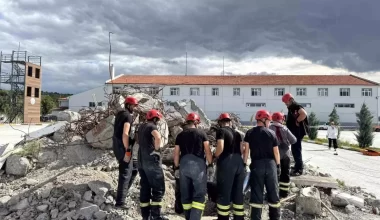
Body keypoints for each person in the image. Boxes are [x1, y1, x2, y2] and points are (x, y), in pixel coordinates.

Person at [173, 112, 213, 220]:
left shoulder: (180, 135)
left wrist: (176, 168)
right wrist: (210, 164)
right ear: (196, 122)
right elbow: (208, 151)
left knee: (186, 196)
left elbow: (176, 153)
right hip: (198, 167)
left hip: (184, 167)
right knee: (199, 195)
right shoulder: (202, 134)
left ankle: (188, 217)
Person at [244, 110, 281, 220]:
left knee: (256, 194)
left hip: (256, 165)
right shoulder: (271, 133)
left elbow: (246, 151)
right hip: (271, 165)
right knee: (273, 193)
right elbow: (276, 152)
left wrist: (244, 163)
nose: (269, 123)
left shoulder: (249, 133)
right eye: (269, 120)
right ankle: (275, 217)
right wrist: (278, 166)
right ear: (264, 120)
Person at [137, 109, 167, 220]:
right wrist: (156, 150)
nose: (158, 122)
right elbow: (158, 137)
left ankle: (146, 216)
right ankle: (156, 216)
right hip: (151, 161)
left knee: (145, 187)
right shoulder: (151, 127)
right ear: (154, 119)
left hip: (141, 161)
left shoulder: (141, 127)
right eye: (157, 120)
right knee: (158, 188)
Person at [214, 113, 246, 220]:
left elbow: (220, 147)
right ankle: (239, 217)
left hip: (227, 162)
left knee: (224, 192)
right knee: (238, 192)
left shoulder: (221, 131)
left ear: (220, 123)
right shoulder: (237, 134)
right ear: (230, 122)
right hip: (239, 163)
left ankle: (223, 218)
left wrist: (215, 155)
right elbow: (242, 150)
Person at [112, 96, 139, 208]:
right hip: (123, 146)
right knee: (125, 173)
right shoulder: (128, 116)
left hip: (116, 145)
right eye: (133, 105)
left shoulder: (120, 114)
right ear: (128, 105)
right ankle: (120, 202)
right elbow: (125, 134)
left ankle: (121, 194)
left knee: (134, 168)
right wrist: (127, 150)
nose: (134, 108)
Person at [269, 112, 297, 198]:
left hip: (274, 154)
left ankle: (274, 193)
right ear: (281, 119)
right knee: (285, 173)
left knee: (275, 173)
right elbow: (294, 140)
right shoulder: (285, 128)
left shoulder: (269, 128)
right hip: (286, 153)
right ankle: (284, 193)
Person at [282, 93, 309, 176]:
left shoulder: (296, 106)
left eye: (286, 102)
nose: (286, 104)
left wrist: (297, 121)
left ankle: (299, 169)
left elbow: (304, 114)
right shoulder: (292, 107)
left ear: (290, 100)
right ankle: (297, 166)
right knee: (294, 150)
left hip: (298, 132)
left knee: (296, 150)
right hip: (295, 132)